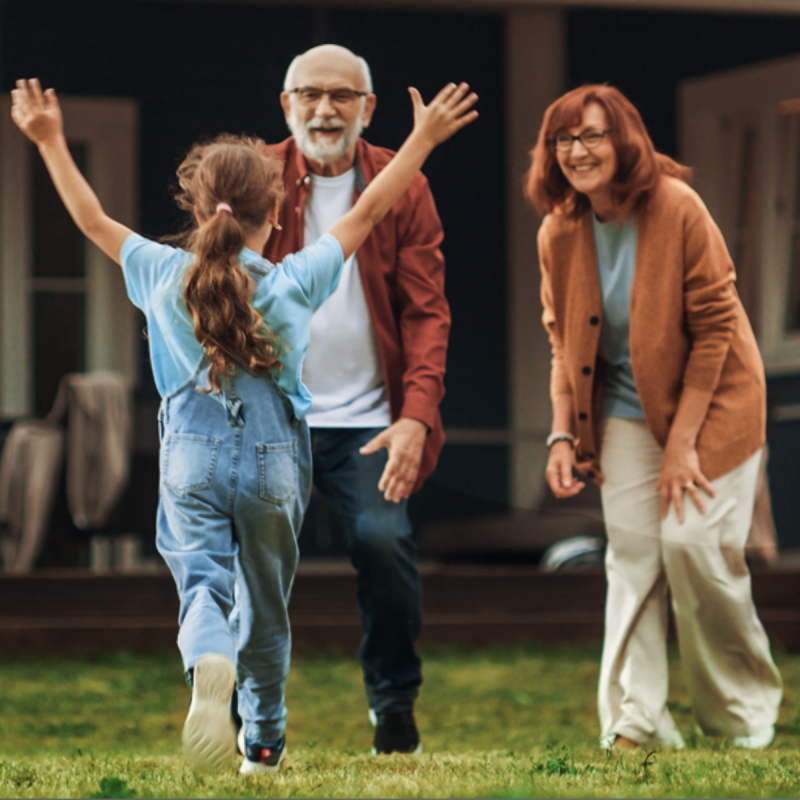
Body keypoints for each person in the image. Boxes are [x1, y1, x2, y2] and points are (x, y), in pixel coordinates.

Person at [11, 76, 476, 772]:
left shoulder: (161, 272)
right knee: (266, 603)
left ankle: (207, 655)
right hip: (273, 463)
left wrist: (48, 139)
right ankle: (262, 741)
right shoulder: (293, 281)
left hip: (190, 458)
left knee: (202, 581)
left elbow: (89, 218)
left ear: (197, 206)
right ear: (279, 208)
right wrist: (424, 139)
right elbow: (374, 207)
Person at [527, 84, 782, 752]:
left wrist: (684, 446)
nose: (578, 151)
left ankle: (740, 715)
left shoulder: (676, 207)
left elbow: (716, 326)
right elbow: (563, 340)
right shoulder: (558, 230)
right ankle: (637, 719)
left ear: (625, 140)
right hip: (624, 412)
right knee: (634, 557)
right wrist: (561, 431)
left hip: (719, 404)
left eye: (592, 135)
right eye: (564, 139)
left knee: (698, 553)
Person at [261, 44, 451, 755]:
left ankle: (393, 704)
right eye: (309, 94)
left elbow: (427, 313)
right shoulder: (257, 174)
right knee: (252, 560)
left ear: (368, 109)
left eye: (342, 96)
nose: (325, 108)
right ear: (287, 105)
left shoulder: (403, 186)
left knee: (383, 542)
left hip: (369, 421)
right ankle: (252, 717)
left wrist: (414, 416)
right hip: (273, 417)